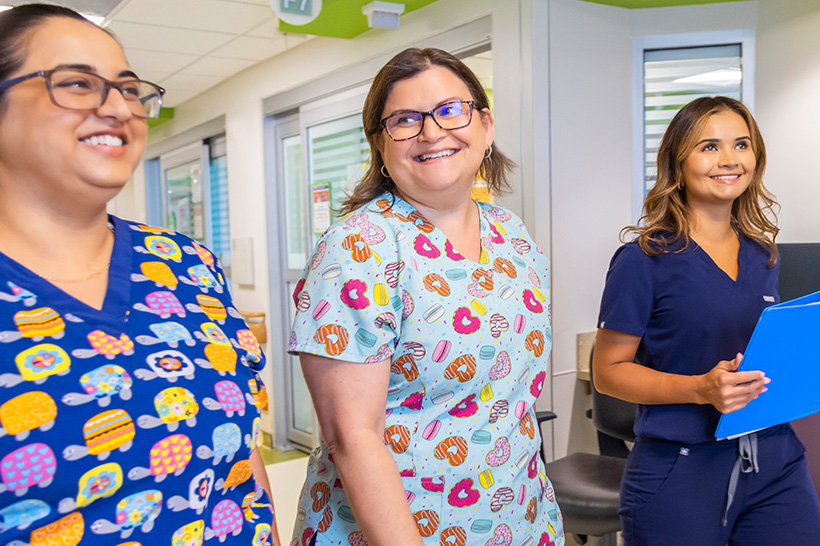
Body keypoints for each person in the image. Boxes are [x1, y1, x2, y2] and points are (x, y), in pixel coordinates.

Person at [0, 4, 279, 545]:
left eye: (128, 90)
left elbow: (242, 458)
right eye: (76, 83)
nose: (118, 108)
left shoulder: (187, 264)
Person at [288, 47, 563, 546]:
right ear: (380, 144)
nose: (432, 132)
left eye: (451, 110)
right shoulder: (359, 247)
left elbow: (511, 402)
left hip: (518, 516)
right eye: (405, 120)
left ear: (486, 126)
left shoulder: (513, 235)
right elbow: (352, 437)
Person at [593, 96, 820, 545]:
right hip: (683, 470)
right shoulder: (643, 259)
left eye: (741, 144)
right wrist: (701, 388)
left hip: (775, 460)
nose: (730, 159)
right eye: (709, 147)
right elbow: (608, 372)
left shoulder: (763, 254)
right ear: (678, 164)